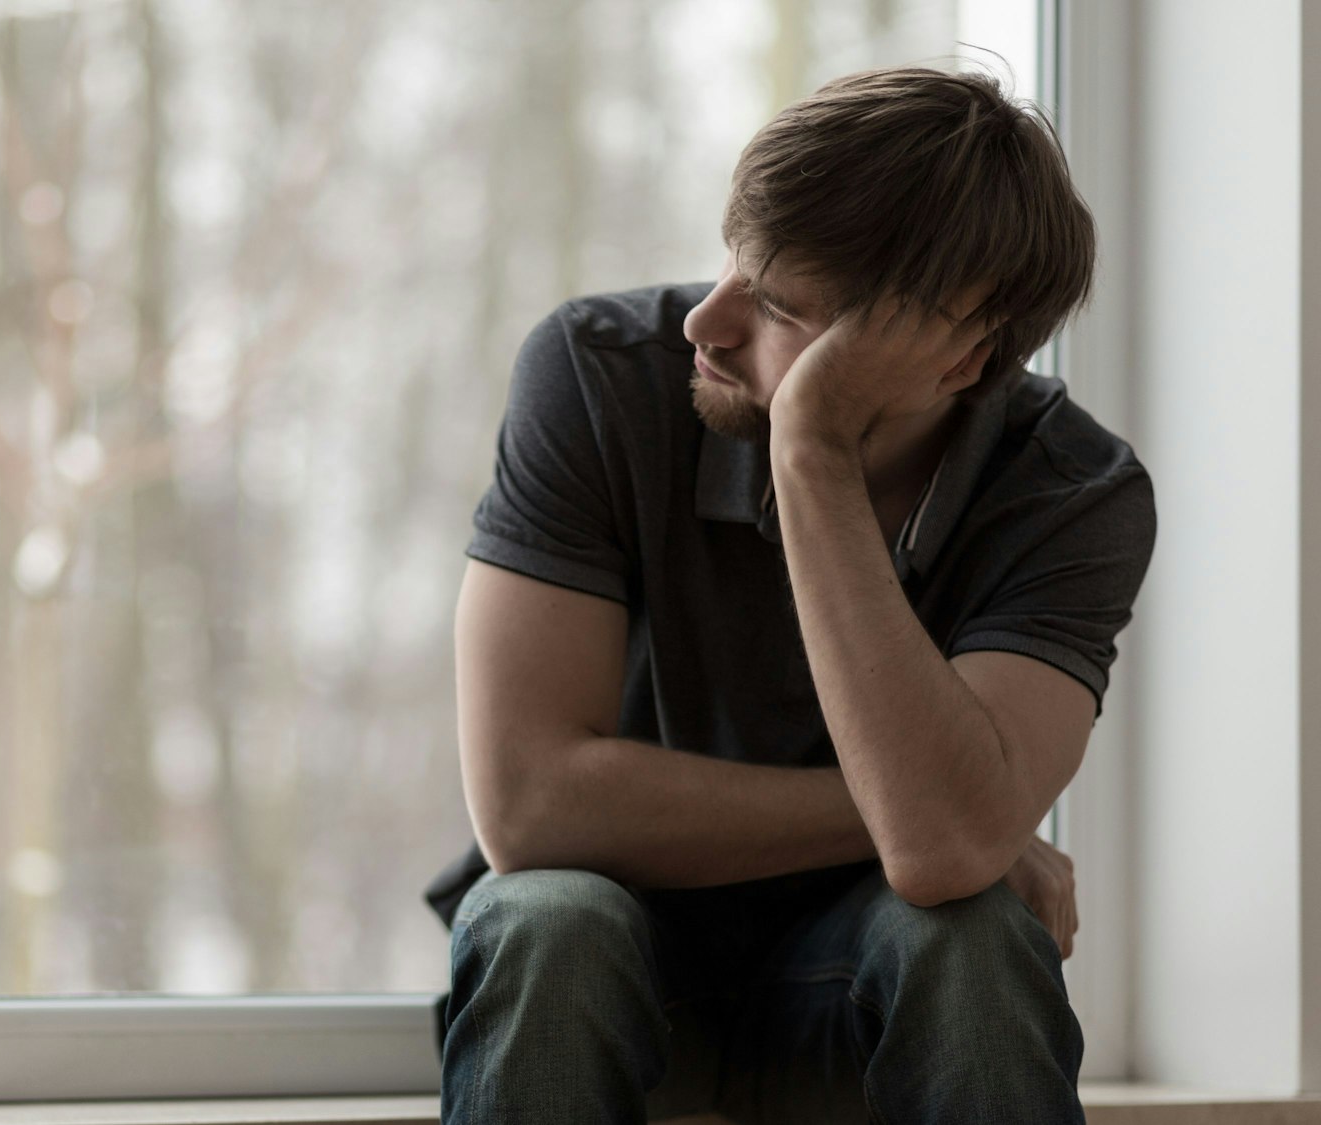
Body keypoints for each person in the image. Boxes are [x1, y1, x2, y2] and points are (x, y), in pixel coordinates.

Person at [428, 65, 1156, 1124]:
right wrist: (946, 814)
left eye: (776, 305)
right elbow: (528, 808)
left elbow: (938, 859)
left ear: (956, 358)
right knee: (545, 922)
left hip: (859, 995)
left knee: (971, 935)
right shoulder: (595, 373)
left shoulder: (1072, 493)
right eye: (733, 260)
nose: (706, 321)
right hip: (611, 969)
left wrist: (809, 449)